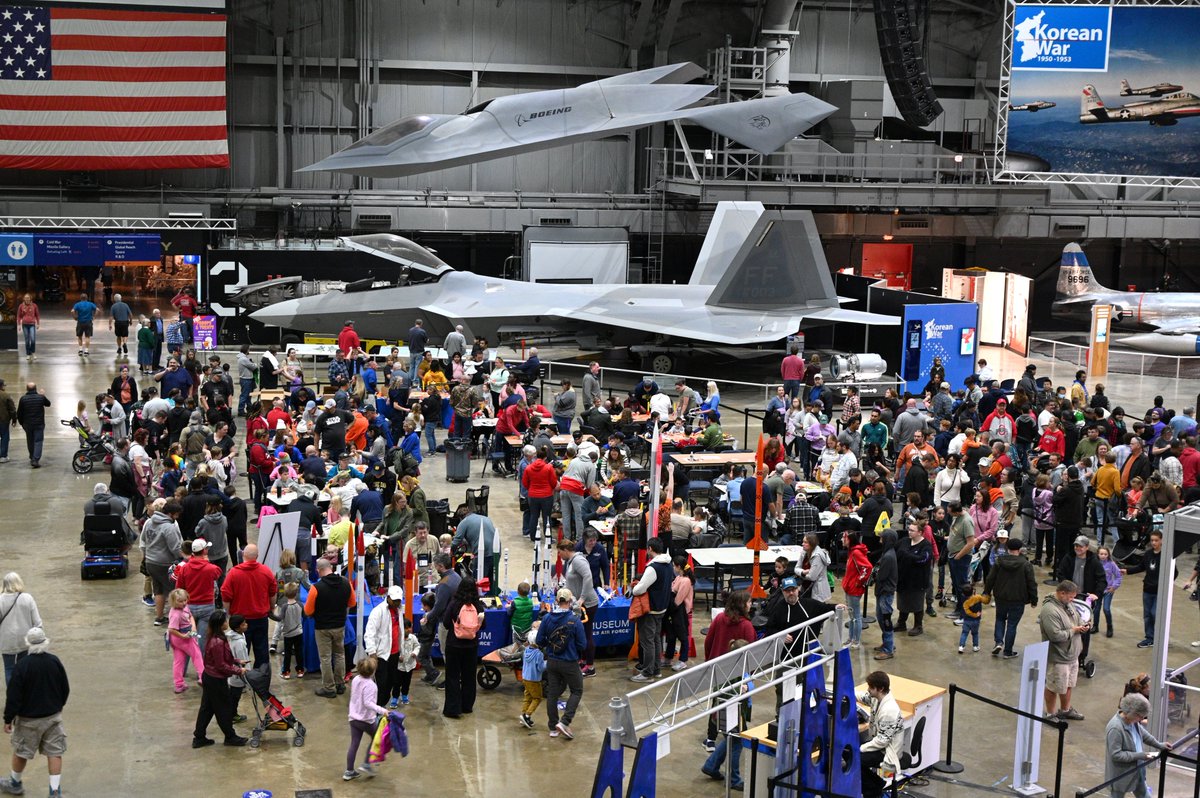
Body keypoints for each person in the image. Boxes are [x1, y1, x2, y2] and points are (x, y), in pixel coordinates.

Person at [0, 628, 69, 798]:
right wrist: (58, 706)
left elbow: (14, 696)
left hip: (28, 720)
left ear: (28, 643)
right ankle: (55, 792)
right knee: (54, 753)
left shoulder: (22, 666)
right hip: (52, 717)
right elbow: (65, 688)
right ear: (45, 641)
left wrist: (8, 719)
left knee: (21, 752)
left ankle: (15, 783)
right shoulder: (54, 661)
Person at [536, 587, 587, 740]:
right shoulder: (575, 621)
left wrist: (551, 646)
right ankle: (565, 722)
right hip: (569, 662)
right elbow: (582, 645)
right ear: (570, 601)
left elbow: (539, 641)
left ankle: (553, 728)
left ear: (557, 601)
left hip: (552, 661)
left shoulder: (547, 618)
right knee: (576, 690)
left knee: (552, 693)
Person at [192, 611, 248, 748]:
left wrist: (236, 661)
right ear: (220, 624)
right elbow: (221, 665)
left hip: (210, 677)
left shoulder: (215, 638)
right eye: (225, 621)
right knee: (224, 709)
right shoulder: (217, 641)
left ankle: (199, 736)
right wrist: (238, 670)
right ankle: (230, 736)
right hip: (216, 680)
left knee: (207, 708)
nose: (227, 622)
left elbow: (222, 658)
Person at [220, 543, 277, 668]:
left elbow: (226, 595)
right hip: (260, 618)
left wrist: (228, 614)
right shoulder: (266, 571)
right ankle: (262, 676)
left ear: (243, 555)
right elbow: (273, 592)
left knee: (240, 651)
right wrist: (272, 607)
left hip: (240, 620)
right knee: (262, 651)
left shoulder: (234, 573)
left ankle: (241, 677)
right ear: (257, 556)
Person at [305, 557, 356, 698]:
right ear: (331, 568)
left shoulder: (316, 588)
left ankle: (329, 688)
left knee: (325, 658)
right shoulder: (346, 583)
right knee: (340, 655)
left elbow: (308, 611)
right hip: (340, 626)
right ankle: (340, 684)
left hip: (322, 628)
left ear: (319, 570)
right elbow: (352, 603)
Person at [1105, 692, 1171, 798]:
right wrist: (1140, 755)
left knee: (1145, 795)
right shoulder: (1115, 728)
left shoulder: (1133, 721)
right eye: (1140, 716)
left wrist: (1159, 745)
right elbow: (1116, 755)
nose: (1142, 719)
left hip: (1137, 769)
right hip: (1120, 774)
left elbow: (1144, 735)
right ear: (1133, 713)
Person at [1039, 580, 1087, 721]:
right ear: (1062, 593)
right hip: (1058, 657)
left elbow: (1077, 618)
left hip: (1072, 655)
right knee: (1053, 686)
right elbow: (1055, 635)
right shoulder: (1049, 611)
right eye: (1071, 597)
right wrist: (1074, 630)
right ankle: (1050, 714)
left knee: (1068, 684)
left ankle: (1065, 710)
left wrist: (1083, 625)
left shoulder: (1067, 603)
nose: (1073, 600)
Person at [983, 537, 1039, 658]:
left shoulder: (999, 561)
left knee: (1000, 619)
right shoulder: (1026, 564)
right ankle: (1008, 651)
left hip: (1001, 596)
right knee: (1012, 624)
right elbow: (1031, 583)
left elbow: (990, 578)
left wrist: (987, 592)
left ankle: (998, 642)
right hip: (1018, 599)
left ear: (1007, 548)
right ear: (1020, 549)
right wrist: (1034, 600)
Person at [441, 576, 485, 719]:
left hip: (454, 645)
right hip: (471, 646)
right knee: (469, 676)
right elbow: (483, 625)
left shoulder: (454, 603)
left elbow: (446, 623)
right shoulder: (477, 605)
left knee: (452, 677)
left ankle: (453, 709)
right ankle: (467, 706)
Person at [630, 538, 673, 681]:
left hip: (651, 609)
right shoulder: (669, 564)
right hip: (662, 608)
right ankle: (656, 669)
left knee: (647, 642)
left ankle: (648, 673)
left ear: (649, 549)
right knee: (655, 640)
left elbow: (639, 589)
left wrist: (634, 588)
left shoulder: (653, 567)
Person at [860, 670, 904, 798]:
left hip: (887, 750)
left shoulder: (889, 710)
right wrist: (846, 693)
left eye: (870, 687)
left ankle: (873, 790)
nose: (868, 689)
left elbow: (882, 741)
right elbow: (863, 698)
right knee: (848, 753)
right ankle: (877, 784)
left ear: (880, 689)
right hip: (880, 744)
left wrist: (861, 748)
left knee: (856, 760)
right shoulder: (877, 698)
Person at [344, 656, 389, 781]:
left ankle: (349, 771)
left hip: (353, 717)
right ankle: (366, 764)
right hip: (366, 720)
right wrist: (383, 711)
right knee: (377, 738)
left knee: (354, 744)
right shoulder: (371, 685)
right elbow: (368, 703)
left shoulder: (356, 679)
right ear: (373, 671)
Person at [1125, 530, 1169, 649]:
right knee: (1147, 615)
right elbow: (1141, 567)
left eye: (1156, 540)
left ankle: (1159, 636)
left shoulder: (1166, 555)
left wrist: (1166, 585)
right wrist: (1128, 571)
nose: (1154, 543)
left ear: (1161, 540)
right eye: (1152, 540)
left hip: (1160, 591)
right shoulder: (1148, 554)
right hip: (1148, 589)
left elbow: (1174, 572)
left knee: (1155, 613)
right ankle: (1150, 638)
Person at [364, 585, 407, 708]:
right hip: (381, 655)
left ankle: (382, 706)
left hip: (394, 653)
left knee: (391, 682)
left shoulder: (399, 610)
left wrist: (401, 651)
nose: (396, 603)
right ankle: (376, 708)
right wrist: (372, 653)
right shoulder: (378, 611)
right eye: (394, 600)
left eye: (398, 600)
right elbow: (370, 633)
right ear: (388, 598)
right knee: (381, 684)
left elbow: (400, 631)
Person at [0, 574, 42, 686]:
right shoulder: (27, 598)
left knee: (9, 668)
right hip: (25, 639)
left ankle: (12, 694)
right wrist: (39, 642)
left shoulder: (0, 600)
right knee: (23, 668)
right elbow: (37, 622)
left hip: (6, 640)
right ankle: (23, 693)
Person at [873, 530, 898, 660]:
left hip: (885, 592)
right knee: (881, 618)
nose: (880, 540)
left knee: (885, 620)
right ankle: (888, 644)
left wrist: (875, 574)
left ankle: (888, 649)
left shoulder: (888, 556)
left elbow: (881, 575)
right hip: (883, 591)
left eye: (882, 538)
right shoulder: (887, 553)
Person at [15, 383, 50, 469]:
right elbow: (48, 404)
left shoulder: (23, 399)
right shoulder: (41, 398)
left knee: (30, 441)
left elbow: (19, 413)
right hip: (39, 424)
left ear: (27, 389)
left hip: (28, 424)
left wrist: (22, 423)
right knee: (38, 441)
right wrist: (43, 395)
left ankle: (32, 457)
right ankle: (35, 459)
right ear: (35, 389)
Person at [518, 629, 546, 730]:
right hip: (534, 680)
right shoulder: (539, 654)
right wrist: (547, 663)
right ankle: (527, 715)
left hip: (525, 678)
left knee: (528, 697)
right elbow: (541, 668)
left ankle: (524, 715)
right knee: (537, 698)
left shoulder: (526, 650)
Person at [108, 292, 133, 357]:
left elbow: (111, 316)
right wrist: (130, 321)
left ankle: (119, 348)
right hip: (125, 322)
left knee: (118, 336)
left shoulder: (113, 306)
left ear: (114, 299)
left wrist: (110, 324)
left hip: (118, 322)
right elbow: (130, 314)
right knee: (125, 335)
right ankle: (124, 343)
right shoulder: (125, 305)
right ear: (121, 298)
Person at [16, 295, 38, 362]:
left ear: (30, 298)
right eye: (25, 298)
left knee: (33, 339)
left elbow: (37, 315)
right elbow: (19, 316)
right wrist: (19, 325)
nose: (27, 299)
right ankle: (28, 354)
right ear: (24, 299)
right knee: (27, 340)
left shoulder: (34, 305)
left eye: (28, 298)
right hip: (25, 325)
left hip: (32, 324)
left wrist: (38, 323)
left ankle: (33, 352)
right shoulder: (21, 306)